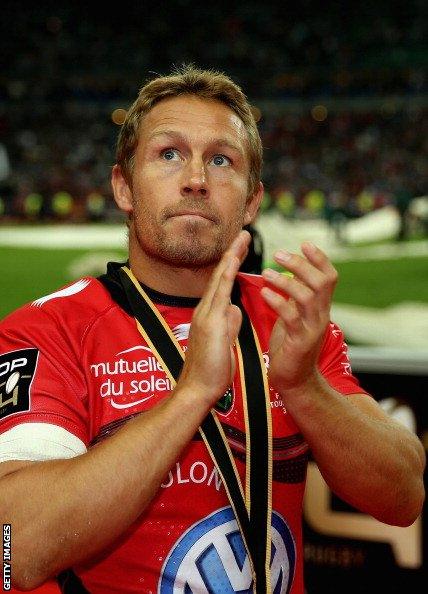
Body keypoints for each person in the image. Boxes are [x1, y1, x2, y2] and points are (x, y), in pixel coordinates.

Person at [0, 65, 425, 594]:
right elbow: (12, 548)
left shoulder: (288, 321)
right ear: (123, 187)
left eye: (221, 160)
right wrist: (193, 393)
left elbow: (404, 496)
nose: (196, 179)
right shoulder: (47, 330)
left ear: (251, 202)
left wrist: (304, 388)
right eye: (169, 154)